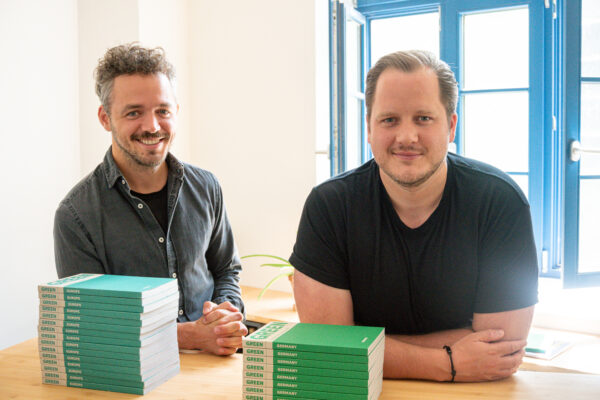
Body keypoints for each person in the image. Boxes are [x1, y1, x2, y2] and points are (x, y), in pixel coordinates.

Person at [290, 50, 538, 382]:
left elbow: (501, 349)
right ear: (369, 127)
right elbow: (332, 353)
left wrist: (361, 343)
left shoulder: (499, 201)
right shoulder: (330, 207)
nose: (407, 137)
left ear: (451, 126)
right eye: (389, 119)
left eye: (423, 118)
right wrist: (450, 361)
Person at [53, 43, 247, 355]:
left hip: (215, 362)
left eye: (162, 111)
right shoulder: (75, 215)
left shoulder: (207, 187)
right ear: (105, 118)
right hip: (133, 372)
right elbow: (93, 321)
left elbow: (226, 270)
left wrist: (225, 314)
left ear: (176, 112)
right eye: (134, 113)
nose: (152, 126)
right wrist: (189, 336)